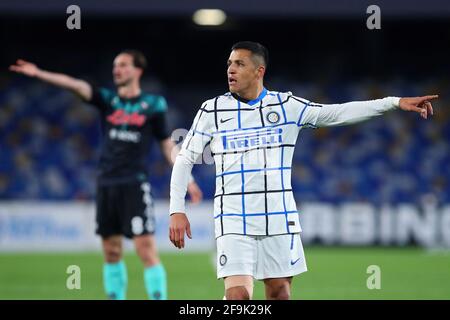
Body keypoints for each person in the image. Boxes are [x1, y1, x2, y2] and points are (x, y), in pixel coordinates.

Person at [168, 41, 438, 300]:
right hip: (233, 218)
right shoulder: (212, 110)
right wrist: (177, 210)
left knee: (280, 293)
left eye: (239, 64)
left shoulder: (287, 106)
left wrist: (393, 102)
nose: (231, 69)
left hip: (278, 216)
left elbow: (337, 113)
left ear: (258, 71)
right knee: (238, 295)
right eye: (229, 64)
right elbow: (184, 159)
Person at [10, 50, 203, 300]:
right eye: (115, 66)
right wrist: (39, 73)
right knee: (111, 252)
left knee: (146, 250)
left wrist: (187, 178)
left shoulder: (153, 105)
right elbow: (77, 86)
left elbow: (167, 145)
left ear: (137, 71)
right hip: (106, 185)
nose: (117, 70)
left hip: (134, 185)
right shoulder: (108, 100)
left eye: (123, 65)